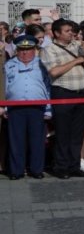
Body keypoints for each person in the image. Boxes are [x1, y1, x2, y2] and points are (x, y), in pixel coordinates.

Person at [42, 19, 84, 179]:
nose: (71, 34)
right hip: (63, 92)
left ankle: (74, 164)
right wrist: (76, 61)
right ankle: (61, 166)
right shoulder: (48, 49)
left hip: (81, 92)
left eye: (72, 31)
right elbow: (54, 72)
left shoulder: (76, 46)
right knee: (63, 132)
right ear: (57, 33)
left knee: (77, 132)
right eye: (67, 31)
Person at [4, 35, 49, 179]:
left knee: (37, 141)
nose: (25, 52)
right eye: (22, 49)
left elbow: (48, 87)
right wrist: (4, 107)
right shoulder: (9, 65)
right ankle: (16, 171)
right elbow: (4, 88)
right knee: (16, 141)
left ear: (34, 50)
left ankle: (36, 170)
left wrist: (48, 109)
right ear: (17, 50)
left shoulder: (43, 64)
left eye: (29, 49)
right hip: (15, 108)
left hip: (37, 107)